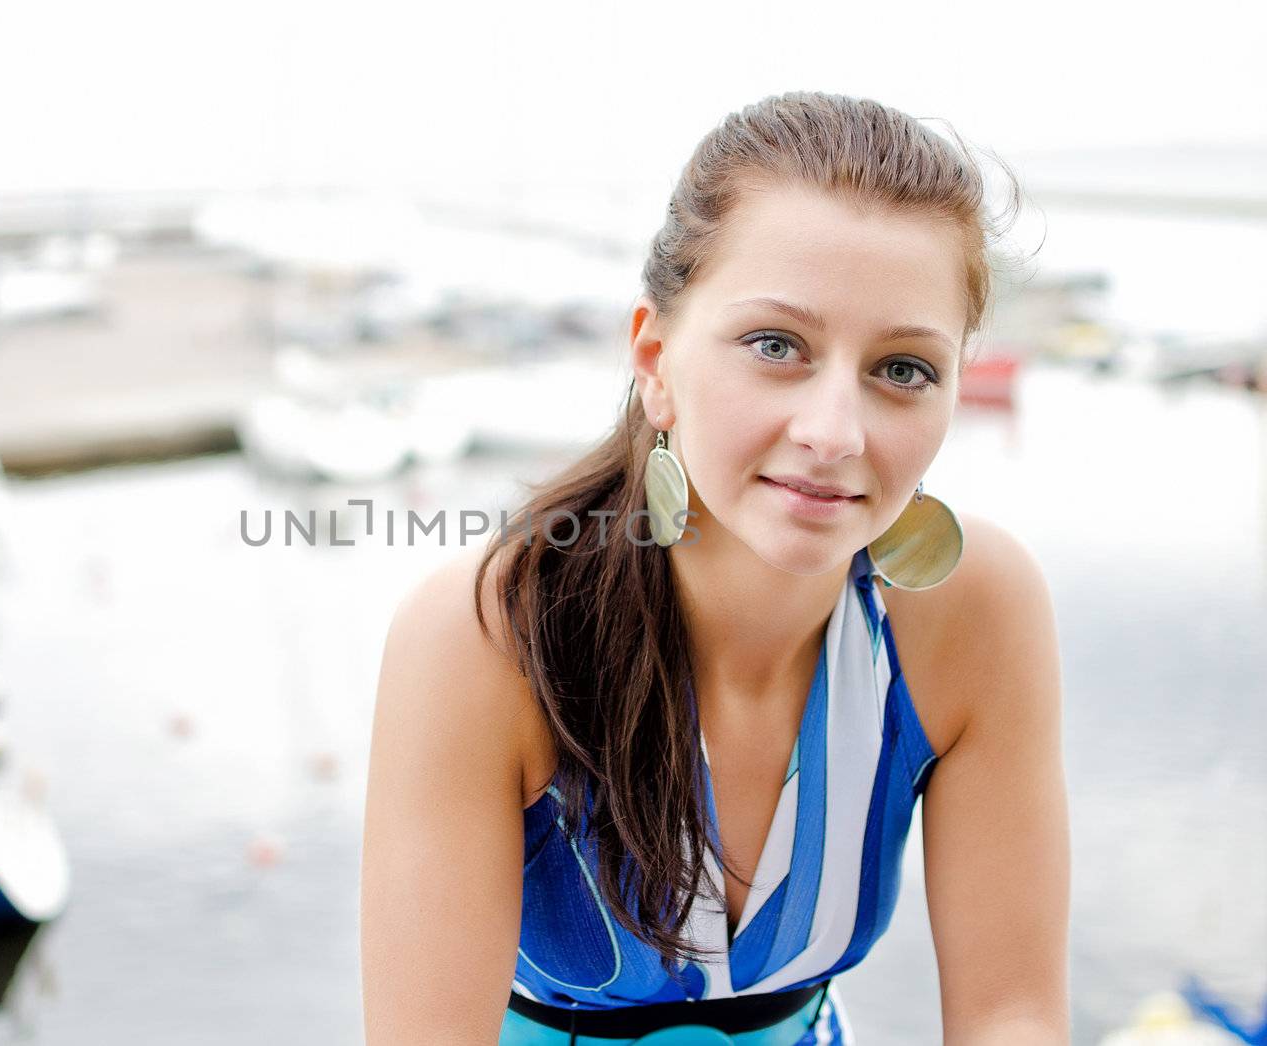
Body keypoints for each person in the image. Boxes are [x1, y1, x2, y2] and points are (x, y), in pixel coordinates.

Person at [361, 91, 1070, 1045]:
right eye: (776, 346)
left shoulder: (971, 609)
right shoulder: (491, 636)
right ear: (656, 359)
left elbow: (1010, 1014)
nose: (833, 434)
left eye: (903, 368)